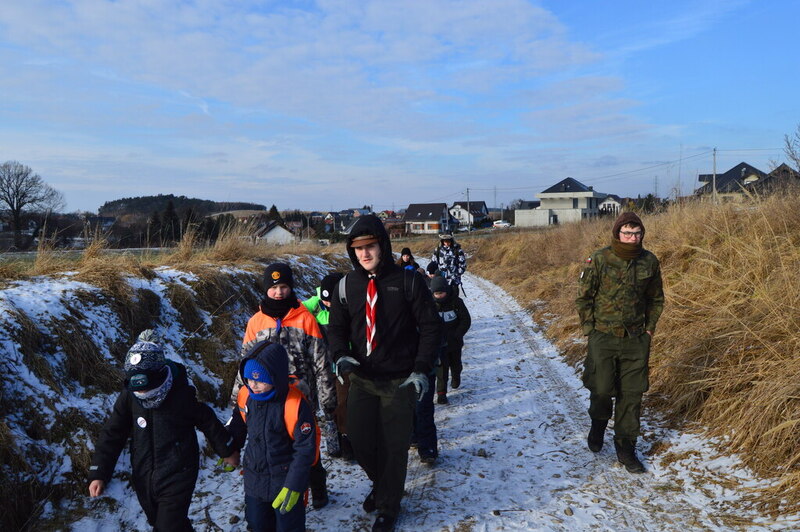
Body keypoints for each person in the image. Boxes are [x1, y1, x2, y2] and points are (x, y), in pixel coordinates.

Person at [327, 214, 441, 532]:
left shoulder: (408, 281)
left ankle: (388, 507)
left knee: (394, 446)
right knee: (361, 442)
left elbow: (431, 327)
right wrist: (341, 355)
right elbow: (335, 328)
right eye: (358, 248)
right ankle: (382, 484)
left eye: (370, 246)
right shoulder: (346, 286)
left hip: (400, 380)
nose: (364, 253)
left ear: (383, 245)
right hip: (362, 379)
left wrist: (421, 369)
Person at [88, 330, 234, 531]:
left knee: (167, 527)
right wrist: (99, 472)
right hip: (144, 474)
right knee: (166, 523)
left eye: (146, 387)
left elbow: (207, 420)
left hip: (178, 472)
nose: (142, 393)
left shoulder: (180, 395)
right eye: (137, 388)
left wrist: (227, 450)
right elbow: (113, 433)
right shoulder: (130, 397)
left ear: (158, 375)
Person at [230, 262, 337, 509]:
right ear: (266, 289)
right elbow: (245, 362)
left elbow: (321, 361)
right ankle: (274, 494)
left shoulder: (306, 319)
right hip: (265, 397)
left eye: (284, 286)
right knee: (274, 447)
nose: (279, 292)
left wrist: (327, 399)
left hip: (299, 396)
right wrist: (237, 398)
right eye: (274, 287)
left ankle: (317, 486)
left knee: (306, 447)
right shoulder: (255, 322)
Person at [575, 212, 664, 473]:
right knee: (601, 388)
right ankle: (598, 423)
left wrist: (649, 330)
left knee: (632, 395)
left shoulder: (649, 261)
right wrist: (590, 329)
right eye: (627, 233)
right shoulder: (600, 258)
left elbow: (656, 299)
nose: (632, 238)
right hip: (603, 337)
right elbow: (583, 297)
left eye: (637, 233)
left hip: (636, 339)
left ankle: (626, 449)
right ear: (617, 233)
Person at [224, 340, 318, 532]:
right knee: (258, 525)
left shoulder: (295, 404)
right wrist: (227, 447)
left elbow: (305, 449)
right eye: (249, 379)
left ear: (275, 376)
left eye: (259, 379)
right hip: (254, 481)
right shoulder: (246, 396)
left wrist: (294, 485)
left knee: (288, 527)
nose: (253, 385)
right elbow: (238, 425)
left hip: (285, 482)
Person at [302, 271, 355, 461]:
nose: (329, 305)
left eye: (332, 301)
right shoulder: (314, 305)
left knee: (343, 404)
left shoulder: (351, 303)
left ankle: (348, 442)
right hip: (322, 367)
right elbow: (294, 311)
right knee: (328, 407)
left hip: (345, 364)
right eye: (326, 301)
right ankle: (334, 443)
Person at [430, 276, 471, 405]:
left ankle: (456, 376)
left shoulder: (456, 302)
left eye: (441, 293)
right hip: (439, 344)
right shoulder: (430, 305)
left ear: (446, 291)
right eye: (436, 294)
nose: (439, 296)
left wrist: (458, 334)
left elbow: (466, 320)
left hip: (454, 342)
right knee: (441, 370)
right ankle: (441, 394)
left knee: (455, 364)